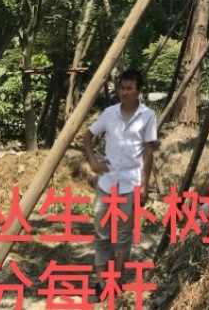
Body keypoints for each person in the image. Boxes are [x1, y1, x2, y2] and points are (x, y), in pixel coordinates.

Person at [83, 69, 157, 302]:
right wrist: (93, 161)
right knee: (102, 235)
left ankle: (116, 282)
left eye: (129, 88)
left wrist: (145, 186)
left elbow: (148, 152)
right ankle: (101, 283)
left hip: (131, 185)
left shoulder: (147, 116)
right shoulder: (109, 113)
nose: (124, 92)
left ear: (138, 91)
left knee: (124, 237)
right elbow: (87, 136)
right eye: (122, 88)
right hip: (107, 183)